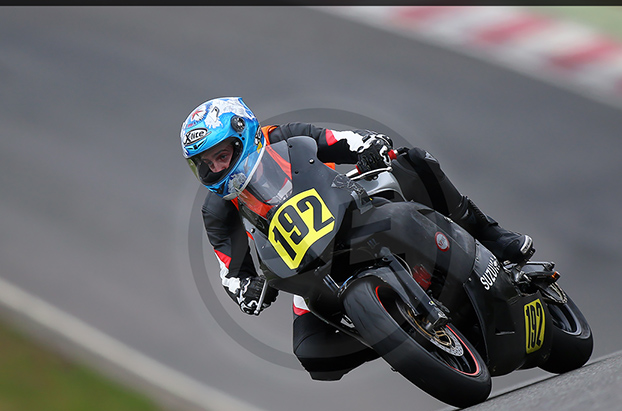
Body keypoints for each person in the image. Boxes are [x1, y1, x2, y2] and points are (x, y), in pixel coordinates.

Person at [181, 97, 534, 381]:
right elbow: (229, 269)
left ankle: (489, 233)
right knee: (313, 354)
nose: (216, 169)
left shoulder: (284, 137)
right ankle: (401, 335)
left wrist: (369, 145)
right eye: (206, 164)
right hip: (308, 267)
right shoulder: (217, 208)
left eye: (222, 156)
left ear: (243, 135)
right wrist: (249, 289)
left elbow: (337, 141)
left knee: (412, 161)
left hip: (354, 217)